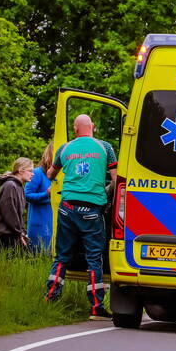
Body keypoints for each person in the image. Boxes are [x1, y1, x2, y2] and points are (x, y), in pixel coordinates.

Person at [44, 114, 117, 320]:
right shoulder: (105, 147)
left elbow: (50, 175)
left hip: (67, 208)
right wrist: (106, 192)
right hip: (92, 211)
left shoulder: (65, 148)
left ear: (75, 129)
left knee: (62, 256)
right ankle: (96, 307)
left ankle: (50, 297)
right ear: (92, 127)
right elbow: (116, 177)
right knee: (94, 258)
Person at [0, 157, 34, 253]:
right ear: (20, 170)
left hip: (14, 233)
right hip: (6, 235)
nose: (33, 174)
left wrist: (22, 232)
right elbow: (9, 213)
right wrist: (19, 232)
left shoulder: (19, 186)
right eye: (30, 171)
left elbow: (18, 215)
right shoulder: (10, 185)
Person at [24, 141, 54, 252]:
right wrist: (46, 194)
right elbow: (26, 194)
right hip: (40, 226)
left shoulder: (62, 175)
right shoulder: (38, 173)